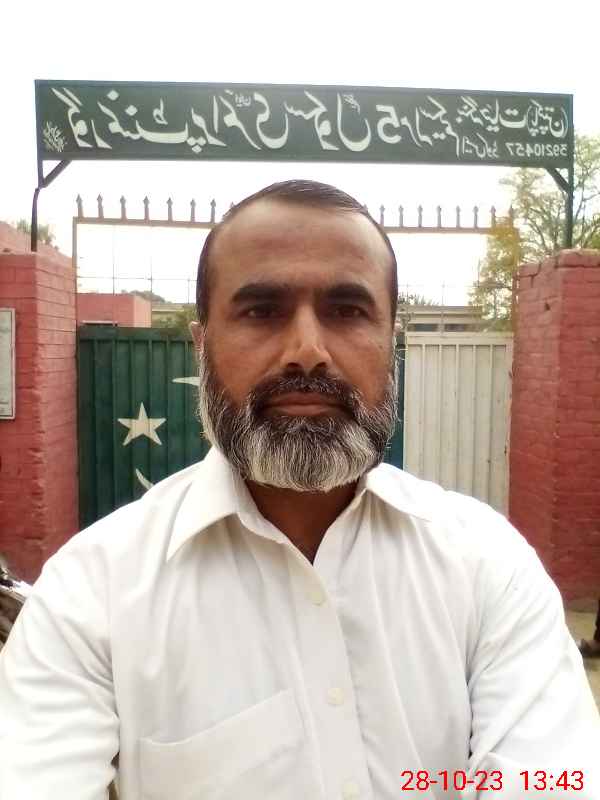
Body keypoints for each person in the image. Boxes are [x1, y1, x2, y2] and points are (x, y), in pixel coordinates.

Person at [0, 179, 598, 799]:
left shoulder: (489, 568)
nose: (308, 351)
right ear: (202, 347)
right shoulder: (91, 594)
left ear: (390, 341)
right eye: (262, 311)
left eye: (347, 311)